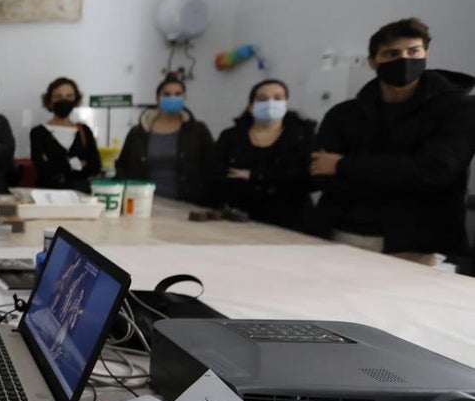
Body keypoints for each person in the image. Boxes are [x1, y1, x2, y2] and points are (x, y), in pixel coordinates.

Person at [311, 18, 475, 264]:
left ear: (426, 54)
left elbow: (434, 172)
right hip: (343, 234)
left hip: (418, 244)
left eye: (413, 51)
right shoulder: (344, 114)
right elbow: (319, 173)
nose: (404, 59)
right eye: (391, 53)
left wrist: (343, 165)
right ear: (372, 61)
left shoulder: (459, 109)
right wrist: (398, 174)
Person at [212, 79, 315, 231]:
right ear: (250, 105)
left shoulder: (303, 136)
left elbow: (306, 177)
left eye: (278, 98)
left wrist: (255, 175)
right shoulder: (231, 136)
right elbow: (215, 171)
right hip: (238, 218)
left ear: (286, 104)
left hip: (290, 220)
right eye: (262, 99)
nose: (270, 103)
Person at [115, 74, 215, 205]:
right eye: (167, 94)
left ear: (184, 98)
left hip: (188, 204)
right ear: (158, 98)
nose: (172, 98)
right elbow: (123, 167)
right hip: (143, 203)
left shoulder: (197, 131)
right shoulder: (138, 132)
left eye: (178, 94)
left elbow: (211, 167)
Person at [29, 77, 101, 192]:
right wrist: (76, 163)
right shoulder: (38, 132)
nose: (64, 100)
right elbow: (42, 168)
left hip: (80, 195)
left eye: (69, 96)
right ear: (50, 101)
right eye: (58, 97)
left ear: (75, 100)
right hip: (47, 194)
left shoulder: (84, 130)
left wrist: (56, 164)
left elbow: (95, 166)